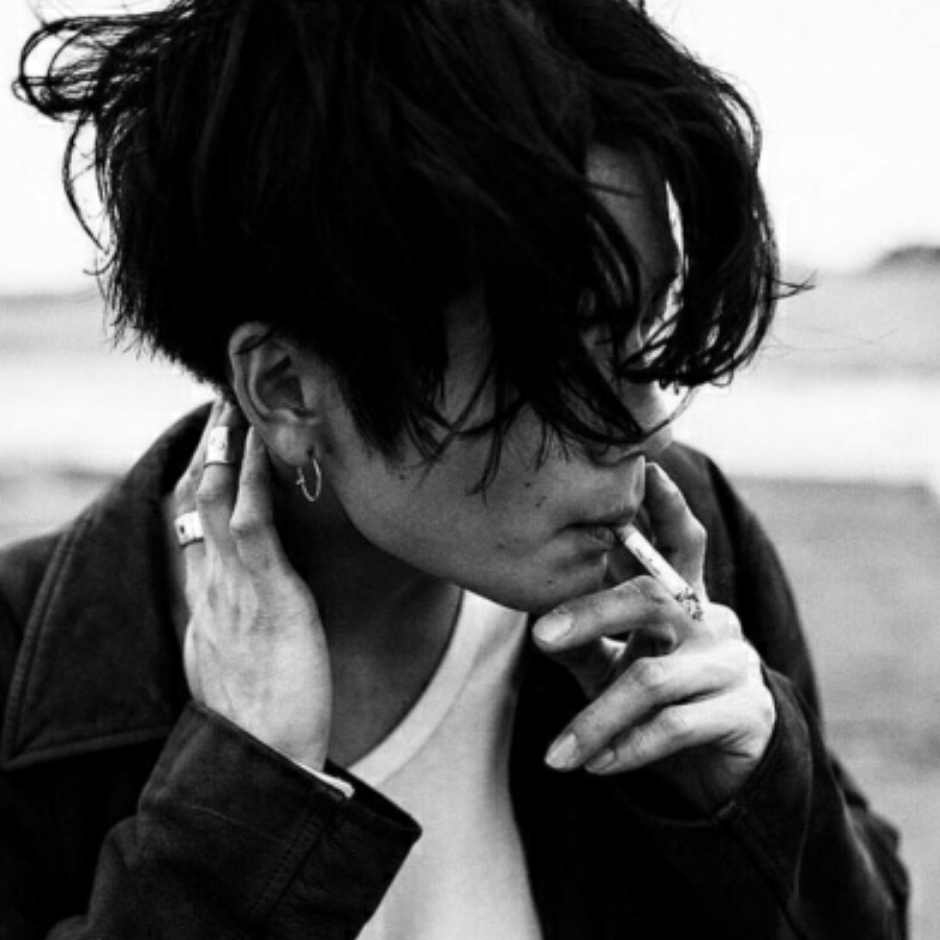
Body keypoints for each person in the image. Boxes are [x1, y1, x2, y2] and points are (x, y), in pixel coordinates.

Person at [0, 0, 908, 937]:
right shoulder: (24, 667)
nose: (643, 423)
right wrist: (235, 825)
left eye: (645, 328)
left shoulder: (687, 563)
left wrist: (750, 794)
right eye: (558, 362)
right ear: (288, 390)